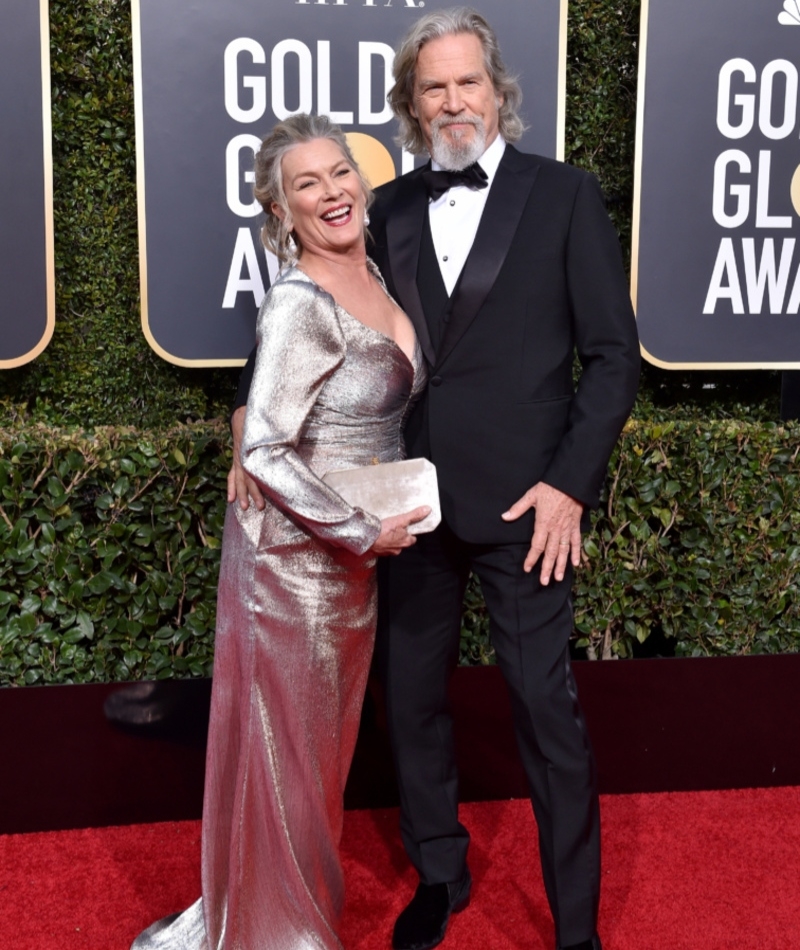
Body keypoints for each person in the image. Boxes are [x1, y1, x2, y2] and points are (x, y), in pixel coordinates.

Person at [231, 9, 640, 950]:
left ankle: (576, 927)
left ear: (498, 90)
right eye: (433, 88)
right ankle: (441, 873)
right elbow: (329, 318)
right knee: (409, 699)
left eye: (467, 83)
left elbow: (613, 356)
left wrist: (569, 485)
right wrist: (249, 411)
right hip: (407, 504)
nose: (453, 101)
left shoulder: (566, 194)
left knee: (546, 709)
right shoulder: (392, 207)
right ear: (410, 106)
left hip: (528, 505)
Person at [131, 114, 429, 950]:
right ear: (280, 208)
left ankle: (281, 920)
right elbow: (263, 446)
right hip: (295, 566)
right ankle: (283, 938)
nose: (332, 191)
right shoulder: (301, 300)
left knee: (315, 769)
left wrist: (372, 529)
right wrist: (361, 527)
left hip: (351, 567)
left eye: (340, 172)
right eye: (308, 183)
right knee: (289, 768)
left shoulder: (376, 271)